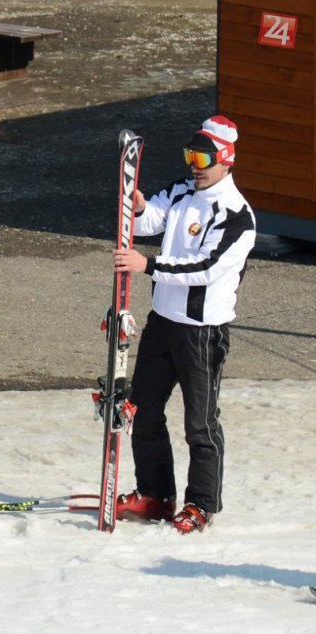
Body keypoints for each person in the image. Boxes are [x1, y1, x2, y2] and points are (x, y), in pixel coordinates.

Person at [112, 115, 256, 534]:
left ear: (226, 160)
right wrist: (137, 207)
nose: (195, 164)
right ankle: (156, 495)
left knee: (200, 422)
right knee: (144, 409)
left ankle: (201, 505)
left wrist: (148, 264)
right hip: (163, 323)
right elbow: (147, 221)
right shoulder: (181, 191)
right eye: (190, 155)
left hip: (202, 331)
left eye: (203, 157)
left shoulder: (237, 216)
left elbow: (205, 267)